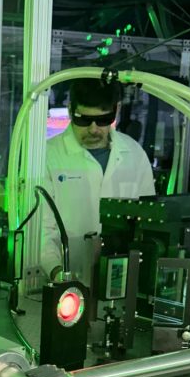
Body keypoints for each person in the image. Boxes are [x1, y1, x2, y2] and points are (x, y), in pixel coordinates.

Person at [38, 78, 154, 287]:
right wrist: (58, 273)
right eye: (84, 120)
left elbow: (148, 222)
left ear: (116, 110)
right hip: (64, 281)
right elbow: (41, 230)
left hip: (121, 280)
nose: (93, 129)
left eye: (102, 120)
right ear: (71, 110)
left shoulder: (134, 154)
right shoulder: (47, 156)